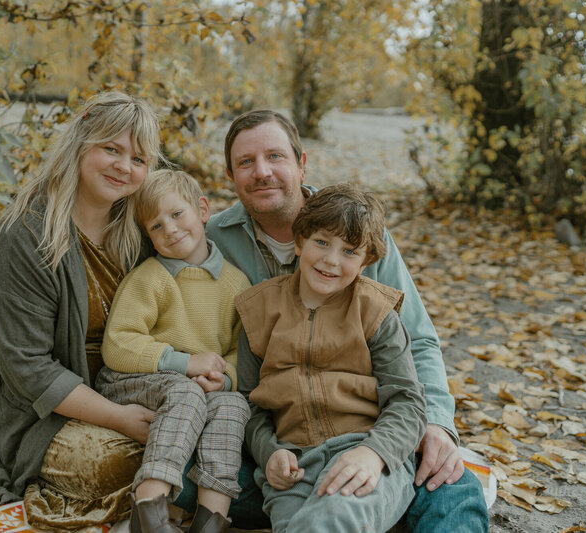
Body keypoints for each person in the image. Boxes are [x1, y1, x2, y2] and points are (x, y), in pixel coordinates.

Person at [203, 109, 489, 531]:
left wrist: (436, 426)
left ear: (301, 163)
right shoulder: (210, 241)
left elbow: (418, 343)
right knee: (197, 479)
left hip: (368, 432)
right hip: (281, 446)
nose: (262, 171)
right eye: (246, 162)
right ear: (230, 174)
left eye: (275, 157)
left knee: (450, 483)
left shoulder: (358, 232)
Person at [0, 91, 164, 530]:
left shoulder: (139, 232)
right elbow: (28, 366)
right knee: (116, 462)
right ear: (80, 143)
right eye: (110, 149)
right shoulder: (20, 240)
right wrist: (118, 419)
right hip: (44, 415)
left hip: (132, 389)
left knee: (206, 429)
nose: (123, 166)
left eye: (138, 159)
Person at [236, 183, 427, 532]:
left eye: (349, 251)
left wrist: (375, 454)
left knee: (336, 517)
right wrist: (269, 453)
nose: (331, 260)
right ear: (299, 242)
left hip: (364, 453)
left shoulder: (376, 312)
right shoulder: (257, 310)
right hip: (293, 464)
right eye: (322, 242)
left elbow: (408, 402)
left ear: (366, 260)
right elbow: (248, 404)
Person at [97, 169, 252, 533]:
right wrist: (184, 363)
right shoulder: (150, 278)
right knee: (186, 392)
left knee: (233, 406)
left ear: (202, 209)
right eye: (155, 226)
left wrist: (224, 379)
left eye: (176, 214)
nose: (169, 229)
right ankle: (148, 510)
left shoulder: (235, 284)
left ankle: (210, 521)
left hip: (200, 388)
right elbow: (118, 344)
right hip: (133, 379)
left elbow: (240, 353)